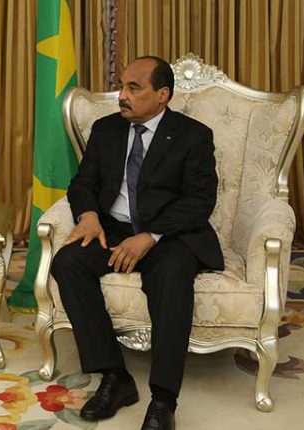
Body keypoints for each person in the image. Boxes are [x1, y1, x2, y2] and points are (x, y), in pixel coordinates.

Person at [51, 56, 223, 430]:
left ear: (162, 95)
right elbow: (83, 183)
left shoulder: (193, 136)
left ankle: (163, 400)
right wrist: (89, 215)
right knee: (67, 262)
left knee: (172, 273)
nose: (122, 96)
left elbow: (199, 200)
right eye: (122, 86)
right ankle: (115, 377)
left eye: (134, 88)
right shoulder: (106, 130)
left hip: (171, 235)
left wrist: (149, 236)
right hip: (113, 230)